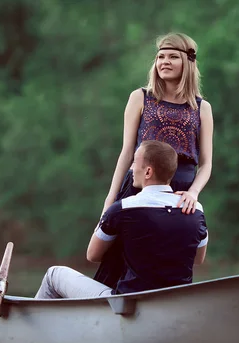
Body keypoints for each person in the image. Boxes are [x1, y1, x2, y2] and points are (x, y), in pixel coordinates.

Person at [94, 32, 214, 287]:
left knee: (168, 258)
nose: (164, 62)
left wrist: (193, 193)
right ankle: (109, 307)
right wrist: (110, 198)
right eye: (160, 56)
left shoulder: (202, 108)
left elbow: (206, 163)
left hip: (179, 194)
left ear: (188, 63)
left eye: (172, 56)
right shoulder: (140, 97)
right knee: (118, 255)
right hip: (138, 187)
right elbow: (127, 152)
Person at [35, 140, 208, 299]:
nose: (131, 168)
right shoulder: (196, 211)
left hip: (128, 305)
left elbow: (93, 255)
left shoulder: (123, 209)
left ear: (148, 171)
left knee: (54, 274)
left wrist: (108, 208)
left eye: (135, 162)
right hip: (174, 303)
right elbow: (197, 259)